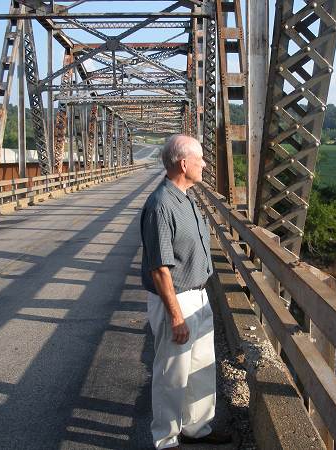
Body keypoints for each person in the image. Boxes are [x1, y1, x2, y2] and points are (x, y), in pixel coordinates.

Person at [140, 134, 231, 450]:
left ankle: (197, 428)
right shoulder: (161, 205)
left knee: (200, 369)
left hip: (198, 295)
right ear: (183, 163)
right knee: (172, 374)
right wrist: (176, 316)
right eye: (200, 158)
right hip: (176, 300)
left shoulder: (187, 197)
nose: (205, 163)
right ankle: (165, 439)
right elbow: (159, 268)